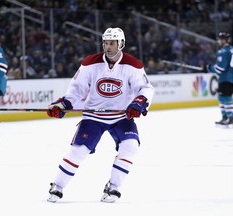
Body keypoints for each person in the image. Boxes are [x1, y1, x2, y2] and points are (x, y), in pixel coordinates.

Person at [46, 27, 154, 203]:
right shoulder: (90, 63)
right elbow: (76, 89)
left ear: (121, 44)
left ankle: (114, 186)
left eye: (112, 43)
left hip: (121, 117)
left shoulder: (133, 65)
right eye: (105, 42)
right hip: (93, 116)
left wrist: (139, 102)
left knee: (131, 146)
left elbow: (145, 88)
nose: (108, 46)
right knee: (78, 151)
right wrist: (63, 104)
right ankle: (57, 186)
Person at [205, 32, 233, 127]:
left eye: (220, 39)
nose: (218, 41)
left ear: (224, 40)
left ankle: (229, 117)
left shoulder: (223, 52)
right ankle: (226, 117)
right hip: (231, 77)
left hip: (225, 78)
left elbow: (220, 69)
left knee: (225, 97)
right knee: (223, 97)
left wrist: (209, 68)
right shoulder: (232, 50)